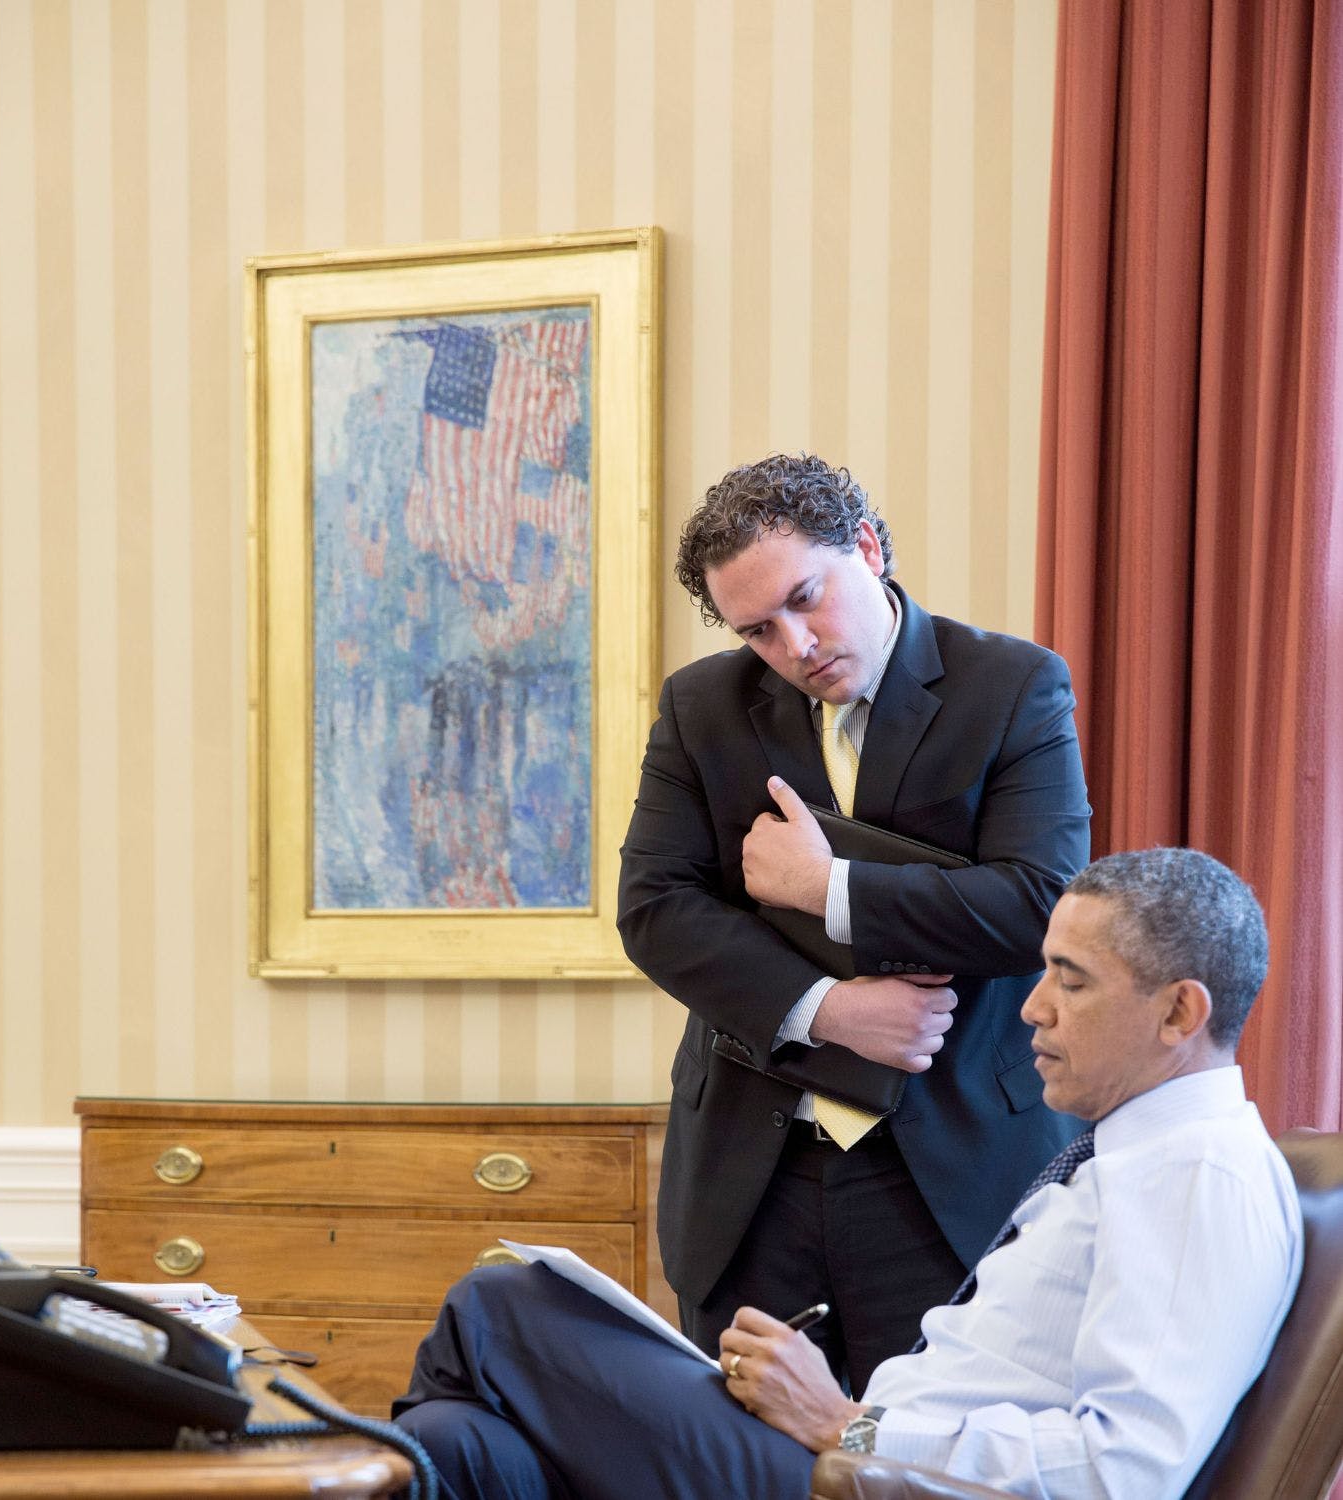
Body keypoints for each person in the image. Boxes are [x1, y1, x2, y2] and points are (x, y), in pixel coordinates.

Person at [394, 847, 1303, 1500]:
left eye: (1072, 981)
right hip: (855, 1460)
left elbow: (1125, 1475)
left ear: (1181, 1011)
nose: (1032, 1009)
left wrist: (847, 1424)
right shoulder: (1132, 1158)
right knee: (456, 1445)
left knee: (505, 1308)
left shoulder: (1197, 1175)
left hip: (854, 1474)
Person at [617, 453, 1091, 1390]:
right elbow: (655, 910)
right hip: (751, 1178)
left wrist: (827, 886)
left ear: (866, 548)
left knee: (921, 1471)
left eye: (807, 599)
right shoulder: (699, 707)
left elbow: (1040, 903)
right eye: (758, 630)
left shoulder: (1013, 686)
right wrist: (827, 1009)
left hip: (952, 1172)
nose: (795, 645)